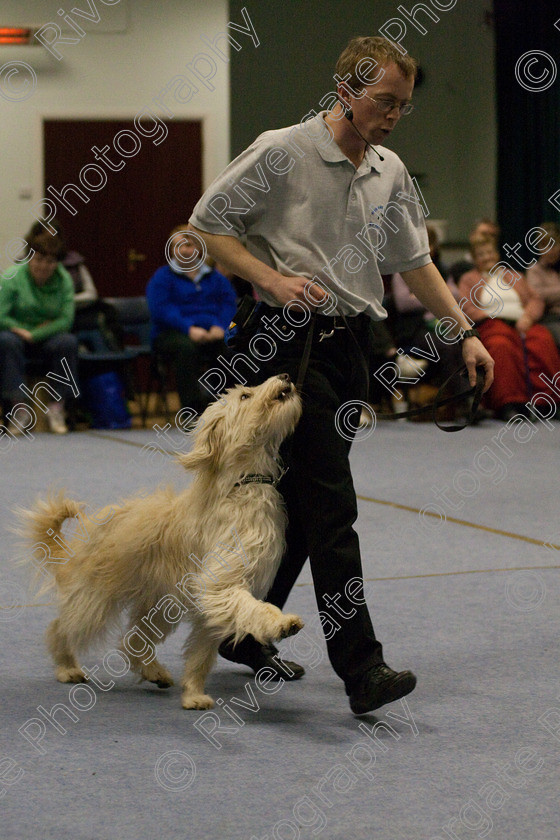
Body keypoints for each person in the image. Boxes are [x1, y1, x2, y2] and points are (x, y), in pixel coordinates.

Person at [189, 36, 494, 714]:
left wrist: (464, 332)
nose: (392, 116)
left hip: (349, 345)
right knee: (333, 506)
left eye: (403, 107)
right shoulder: (283, 150)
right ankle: (363, 669)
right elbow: (207, 226)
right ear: (346, 92)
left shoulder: (389, 168)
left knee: (303, 507)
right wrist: (271, 277)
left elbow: (416, 263)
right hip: (283, 345)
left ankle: (243, 632)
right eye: (384, 102)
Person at [458, 236, 560, 420]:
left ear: (497, 254)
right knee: (501, 345)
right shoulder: (469, 279)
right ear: (474, 259)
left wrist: (528, 317)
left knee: (542, 340)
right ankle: (510, 403)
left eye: (490, 252)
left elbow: (535, 299)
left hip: (522, 322)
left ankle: (547, 402)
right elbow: (465, 306)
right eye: (481, 254)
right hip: (491, 323)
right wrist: (490, 316)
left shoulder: (514, 276)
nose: (487, 257)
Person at [146, 226, 237, 412]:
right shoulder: (162, 278)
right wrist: (188, 328)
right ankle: (192, 411)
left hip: (213, 332)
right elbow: (161, 309)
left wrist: (220, 326)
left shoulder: (215, 278)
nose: (185, 250)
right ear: (171, 250)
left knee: (230, 348)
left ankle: (227, 408)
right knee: (186, 349)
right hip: (172, 333)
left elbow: (228, 304)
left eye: (189, 245)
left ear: (198, 248)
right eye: (178, 246)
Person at [0, 228, 78, 435]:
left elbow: (66, 320)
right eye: (39, 259)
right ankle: (20, 409)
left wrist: (35, 335)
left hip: (47, 338)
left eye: (50, 262)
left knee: (67, 342)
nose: (44, 266)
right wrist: (21, 329)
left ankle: (56, 408)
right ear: (29, 257)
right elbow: (0, 315)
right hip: (16, 336)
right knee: (5, 341)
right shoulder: (12, 277)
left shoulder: (64, 281)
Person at [526, 222, 560, 347]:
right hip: (550, 318)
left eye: (554, 245)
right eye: (544, 246)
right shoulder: (534, 270)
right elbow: (538, 294)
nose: (550, 251)